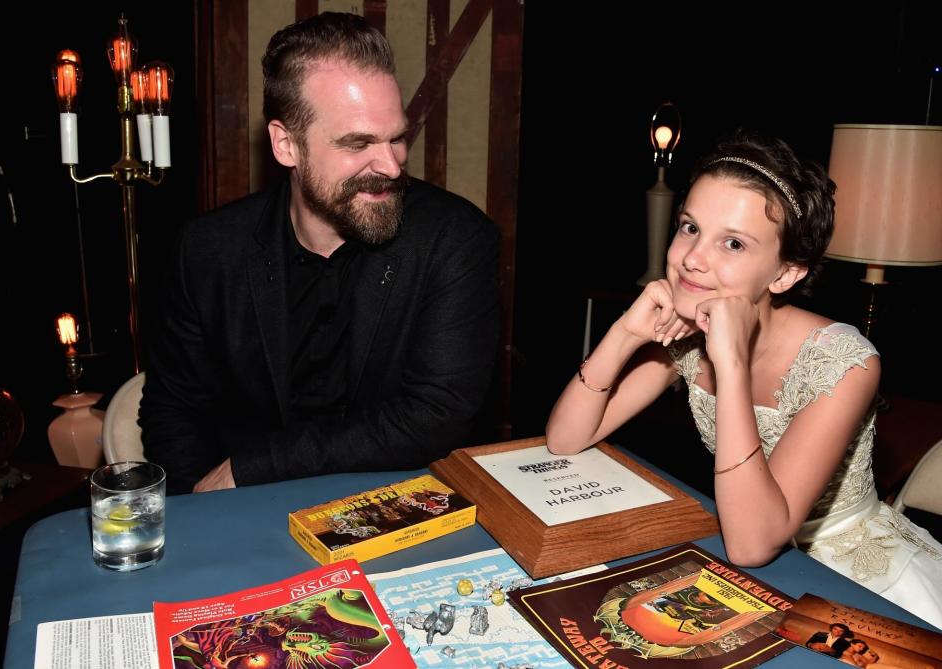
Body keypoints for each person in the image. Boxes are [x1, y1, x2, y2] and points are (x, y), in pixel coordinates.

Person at [545, 131, 942, 628]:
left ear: (785, 275)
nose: (693, 257)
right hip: (739, 553)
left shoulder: (846, 363)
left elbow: (754, 544)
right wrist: (624, 333)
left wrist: (729, 364)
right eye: (690, 227)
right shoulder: (686, 333)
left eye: (732, 243)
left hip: (854, 574)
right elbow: (565, 439)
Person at [140, 12, 499, 494]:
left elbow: (435, 415)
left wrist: (252, 466)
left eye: (396, 137)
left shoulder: (455, 239)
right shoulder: (209, 250)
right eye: (358, 143)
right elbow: (173, 411)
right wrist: (202, 517)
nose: (391, 166)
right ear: (286, 145)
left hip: (400, 510)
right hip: (243, 514)